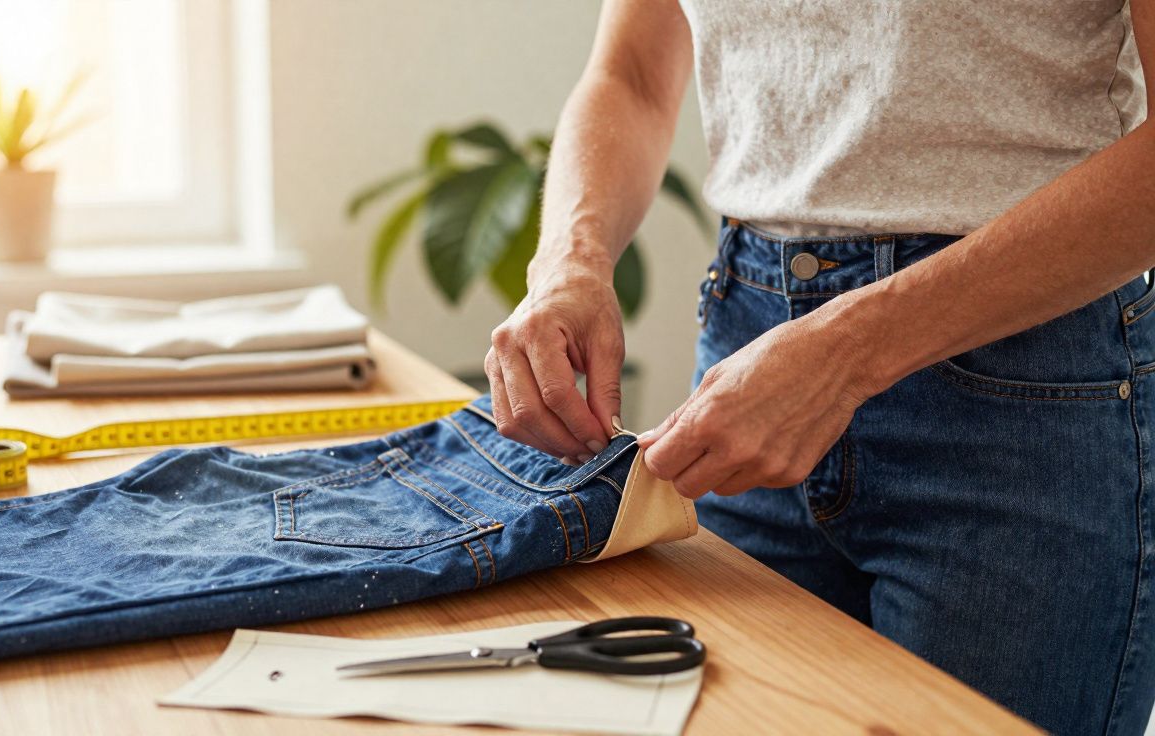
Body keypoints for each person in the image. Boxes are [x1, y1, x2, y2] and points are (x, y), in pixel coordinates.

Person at [484, 0, 1155, 733]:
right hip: (747, 358)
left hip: (1021, 402)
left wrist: (846, 352)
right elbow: (633, 73)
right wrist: (568, 260)